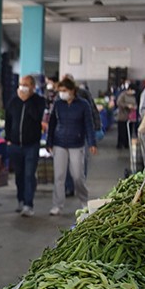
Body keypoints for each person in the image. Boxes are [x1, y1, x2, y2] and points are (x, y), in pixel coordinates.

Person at [47, 78, 97, 216]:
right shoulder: (58, 104)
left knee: (77, 176)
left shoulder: (83, 105)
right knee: (59, 176)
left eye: (64, 91)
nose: (62, 93)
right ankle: (57, 205)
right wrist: (49, 142)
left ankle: (84, 200)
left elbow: (88, 124)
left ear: (72, 91)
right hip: (59, 143)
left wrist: (92, 142)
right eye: (60, 91)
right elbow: (52, 124)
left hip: (77, 143)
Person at [5, 75, 45, 217]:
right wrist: (8, 139)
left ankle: (29, 204)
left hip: (31, 146)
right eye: (21, 84)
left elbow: (37, 117)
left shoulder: (39, 101)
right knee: (19, 175)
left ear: (33, 87)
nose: (23, 87)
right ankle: (21, 200)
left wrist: (26, 101)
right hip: (15, 145)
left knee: (29, 175)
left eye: (26, 84)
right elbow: (8, 120)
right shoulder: (13, 101)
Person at [115, 84, 138, 149]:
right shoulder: (123, 95)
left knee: (129, 131)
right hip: (122, 116)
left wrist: (134, 107)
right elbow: (119, 103)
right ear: (129, 89)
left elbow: (135, 103)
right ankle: (120, 144)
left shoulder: (133, 96)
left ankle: (126, 144)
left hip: (130, 117)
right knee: (122, 131)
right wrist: (127, 105)